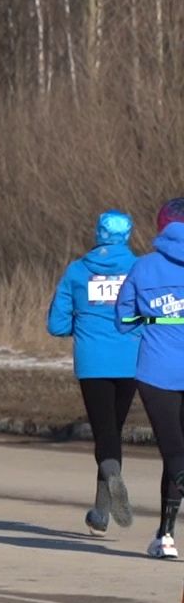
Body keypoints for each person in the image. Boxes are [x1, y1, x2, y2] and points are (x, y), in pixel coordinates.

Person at [48, 210, 141, 535]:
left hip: (93, 362)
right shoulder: (139, 269)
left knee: (105, 433)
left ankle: (109, 488)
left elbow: (56, 324)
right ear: (127, 235)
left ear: (98, 234)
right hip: (130, 360)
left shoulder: (77, 271)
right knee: (112, 431)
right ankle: (101, 512)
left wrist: (84, 325)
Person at [115, 198, 184, 559]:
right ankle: (165, 533)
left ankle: (167, 537)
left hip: (158, 371)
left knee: (174, 453)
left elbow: (123, 320)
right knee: (178, 457)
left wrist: (152, 319)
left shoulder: (143, 267)